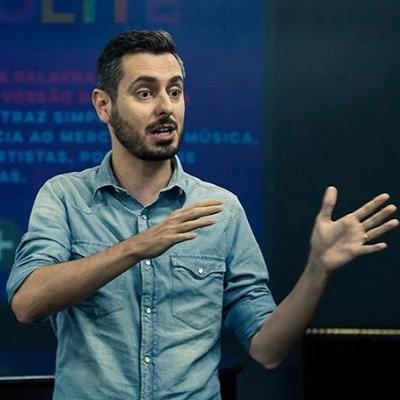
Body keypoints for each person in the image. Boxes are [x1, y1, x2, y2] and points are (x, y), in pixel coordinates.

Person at [6, 30, 398, 400]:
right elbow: (27, 303)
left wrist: (317, 270)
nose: (165, 106)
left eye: (174, 91)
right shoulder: (65, 197)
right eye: (145, 92)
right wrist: (136, 248)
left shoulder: (220, 210)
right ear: (103, 105)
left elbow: (267, 349)